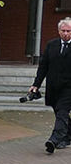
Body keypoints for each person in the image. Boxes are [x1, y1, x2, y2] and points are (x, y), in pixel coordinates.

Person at [29, 17, 71, 154]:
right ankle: (67, 136)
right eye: (63, 30)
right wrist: (36, 85)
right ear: (59, 31)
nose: (66, 33)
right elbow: (43, 67)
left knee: (62, 112)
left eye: (69, 31)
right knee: (59, 112)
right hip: (53, 87)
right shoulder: (51, 45)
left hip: (68, 88)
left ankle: (54, 140)